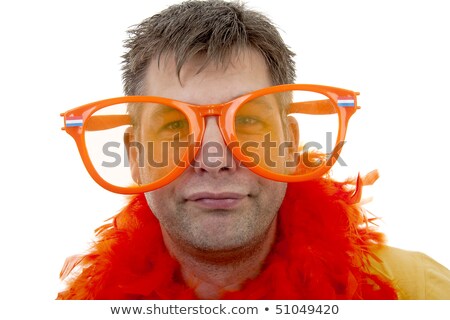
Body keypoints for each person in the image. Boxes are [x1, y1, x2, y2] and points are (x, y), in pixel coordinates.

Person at [57, 0, 450, 299]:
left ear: (291, 145)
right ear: (136, 157)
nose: (215, 158)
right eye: (175, 125)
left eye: (247, 121)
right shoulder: (81, 306)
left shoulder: (419, 293)